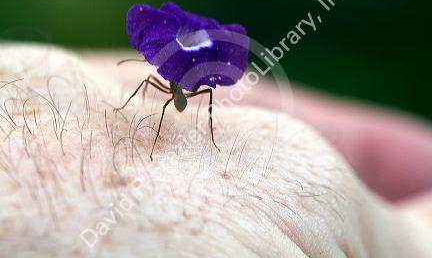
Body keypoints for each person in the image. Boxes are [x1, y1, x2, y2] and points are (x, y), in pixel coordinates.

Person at [1, 44, 431, 257]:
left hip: (192, 100)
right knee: (149, 87)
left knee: (193, 95)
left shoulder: (187, 85)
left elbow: (192, 86)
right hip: (180, 97)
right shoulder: (164, 82)